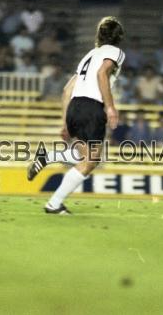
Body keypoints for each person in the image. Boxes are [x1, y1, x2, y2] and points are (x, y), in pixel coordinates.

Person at [27, 16, 125, 214]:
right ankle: (54, 203)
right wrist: (110, 107)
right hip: (92, 108)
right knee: (91, 161)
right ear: (118, 37)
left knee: (84, 157)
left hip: (75, 107)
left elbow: (66, 90)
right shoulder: (116, 52)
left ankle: (48, 158)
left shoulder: (89, 55)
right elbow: (102, 74)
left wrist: (65, 123)